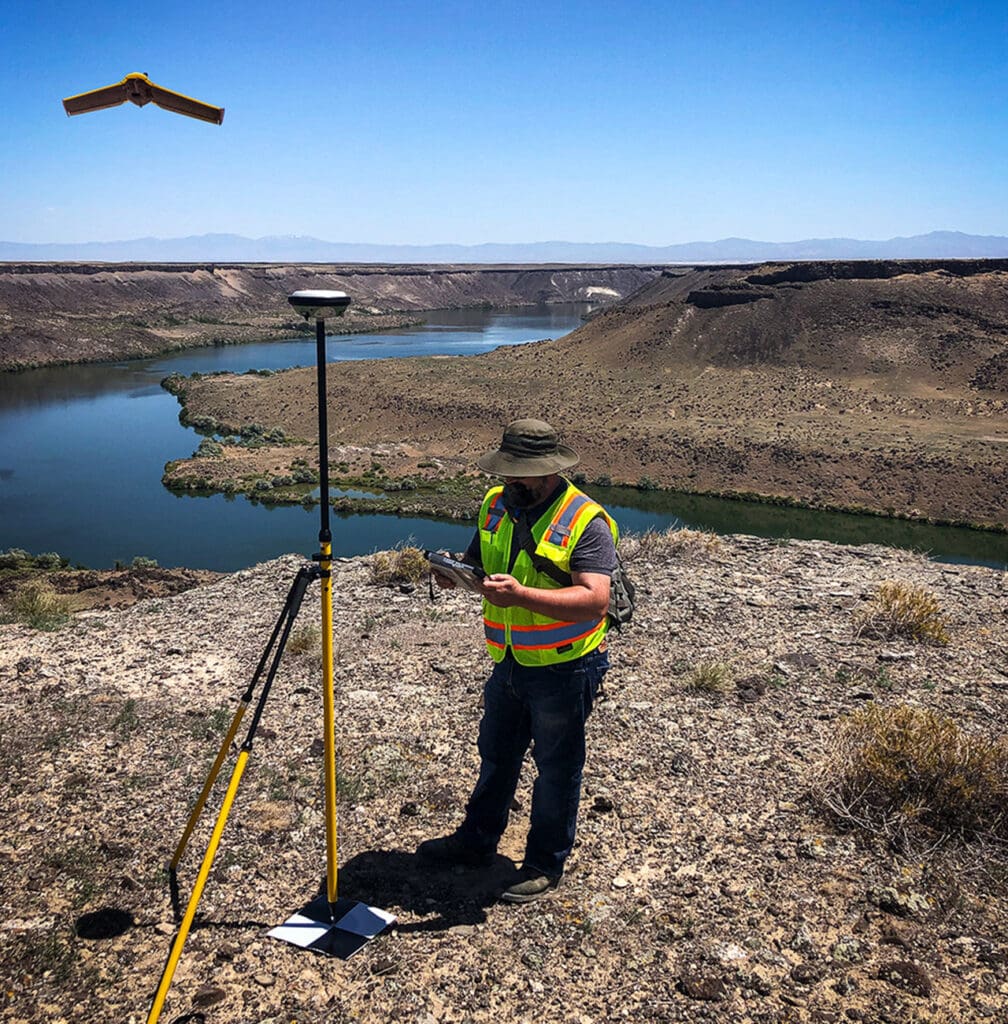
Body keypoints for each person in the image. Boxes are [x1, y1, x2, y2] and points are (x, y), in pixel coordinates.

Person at [419, 419, 618, 904]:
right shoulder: (495, 504)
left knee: (556, 765)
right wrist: (456, 577)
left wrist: (522, 596)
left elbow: (596, 600)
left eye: (521, 475)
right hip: (507, 660)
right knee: (497, 754)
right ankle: (477, 842)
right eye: (507, 473)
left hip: (565, 666)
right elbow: (482, 565)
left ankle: (544, 864)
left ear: (549, 473)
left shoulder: (584, 519)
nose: (511, 483)